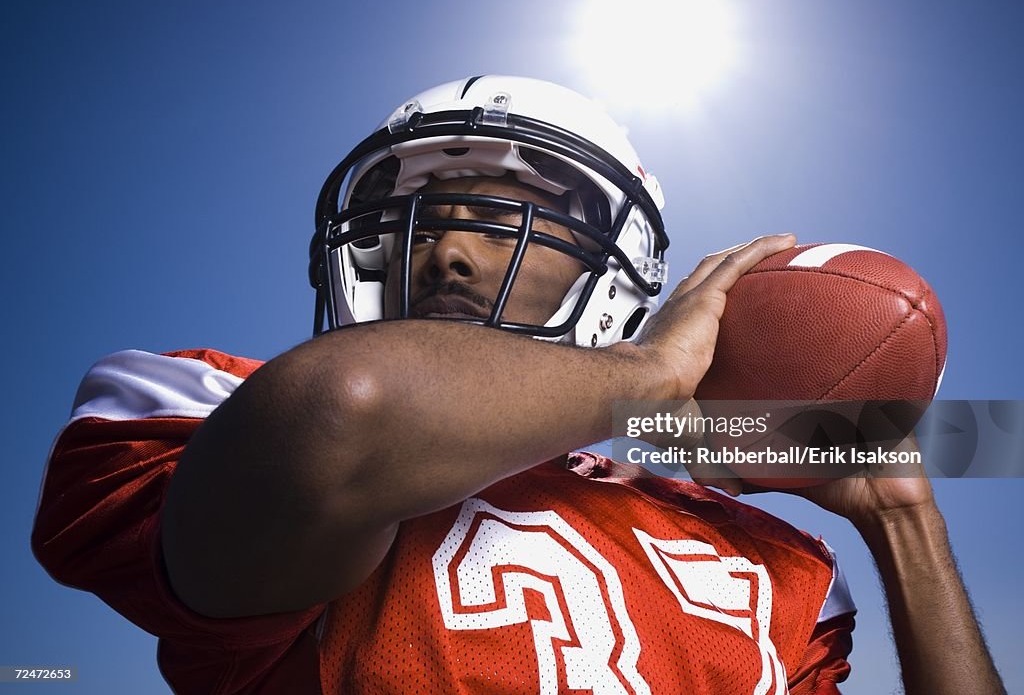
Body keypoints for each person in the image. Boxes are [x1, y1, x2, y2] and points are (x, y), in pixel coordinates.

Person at [32, 76, 1004, 694]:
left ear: (614, 269)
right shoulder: (212, 402)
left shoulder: (766, 560)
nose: (446, 249)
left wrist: (900, 521)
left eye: (500, 217)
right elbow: (344, 418)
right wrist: (642, 377)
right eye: (414, 218)